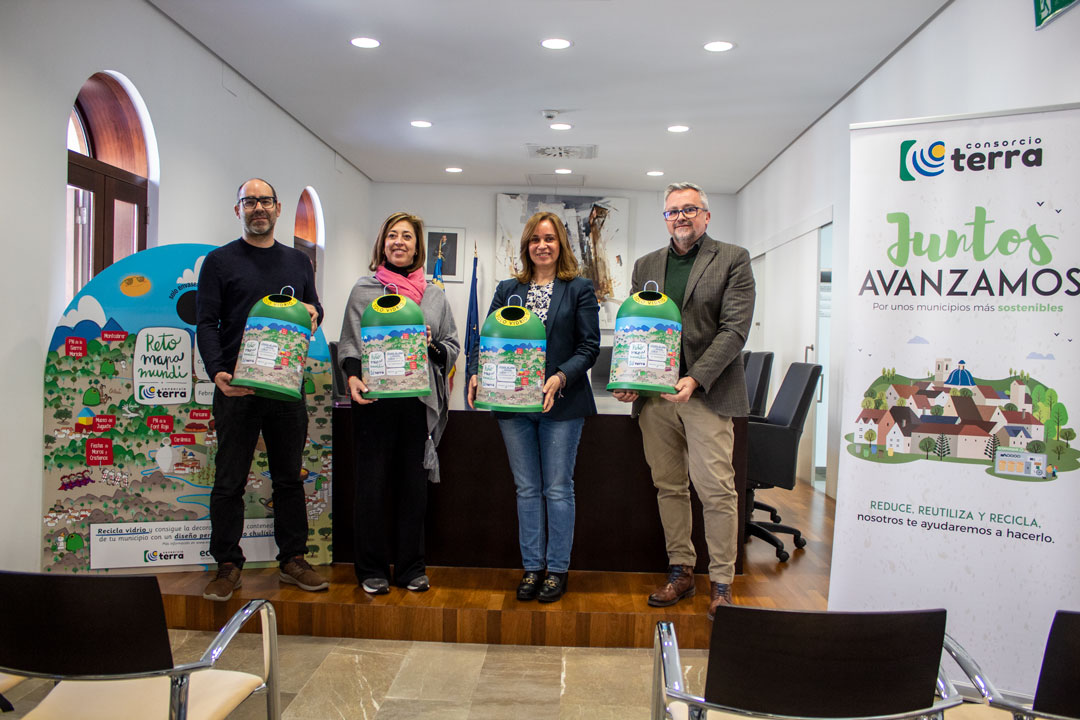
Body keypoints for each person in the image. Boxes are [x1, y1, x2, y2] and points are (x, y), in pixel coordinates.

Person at [613, 182, 755, 620]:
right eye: (673, 211)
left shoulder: (732, 258)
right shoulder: (646, 265)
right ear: (665, 218)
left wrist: (695, 378)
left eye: (690, 209)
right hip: (656, 400)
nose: (681, 217)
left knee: (716, 491)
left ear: (706, 216)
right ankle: (682, 570)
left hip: (706, 395)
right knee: (669, 487)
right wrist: (629, 379)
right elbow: (635, 329)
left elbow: (734, 330)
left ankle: (722, 583)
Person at [196, 177, 329, 602]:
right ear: (238, 210)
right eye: (249, 201)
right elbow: (206, 323)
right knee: (229, 480)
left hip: (286, 391)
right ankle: (227, 565)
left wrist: (314, 311)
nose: (258, 208)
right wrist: (218, 372)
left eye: (265, 201)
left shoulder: (298, 262)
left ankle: (293, 559)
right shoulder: (219, 262)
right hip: (237, 389)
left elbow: (314, 309)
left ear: (278, 208)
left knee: (289, 478)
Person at [468, 212, 600, 602]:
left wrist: (560, 377)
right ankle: (532, 568)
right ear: (526, 246)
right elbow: (487, 338)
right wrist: (475, 372)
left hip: (562, 404)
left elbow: (589, 346)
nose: (542, 245)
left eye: (550, 238)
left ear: (561, 244)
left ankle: (556, 570)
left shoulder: (579, 288)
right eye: (535, 239)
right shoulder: (508, 288)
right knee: (526, 489)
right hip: (512, 406)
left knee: (557, 489)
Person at [338, 211, 460, 594]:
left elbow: (452, 345)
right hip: (373, 402)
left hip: (416, 404)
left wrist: (432, 346)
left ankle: (411, 568)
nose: (399, 242)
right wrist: (353, 376)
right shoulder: (364, 289)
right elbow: (350, 342)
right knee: (371, 487)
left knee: (413, 489)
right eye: (392, 235)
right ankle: (371, 570)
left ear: (417, 245)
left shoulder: (434, 295)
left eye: (407, 236)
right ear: (383, 243)